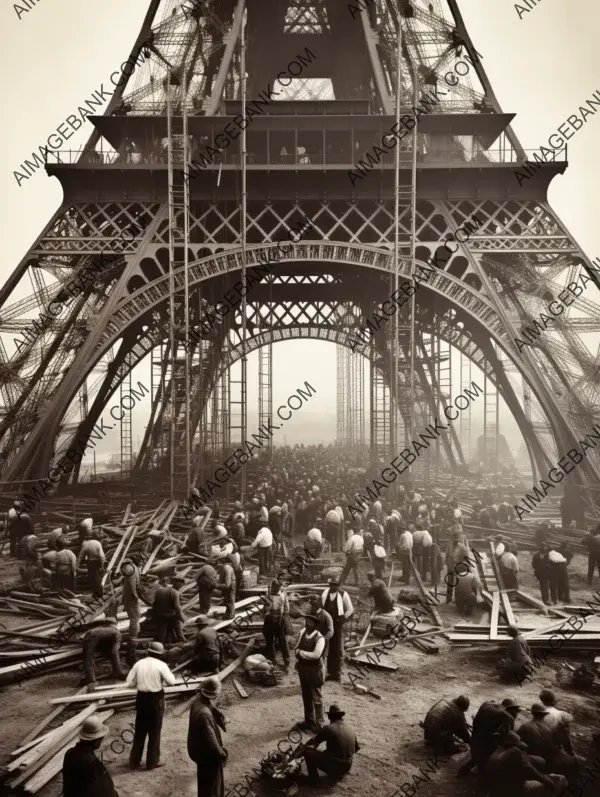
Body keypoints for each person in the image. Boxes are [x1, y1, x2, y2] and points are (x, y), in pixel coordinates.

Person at [125, 640, 176, 770]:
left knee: (140, 731)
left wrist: (139, 682)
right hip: (155, 700)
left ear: (148, 652)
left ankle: (134, 761)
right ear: (160, 654)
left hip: (141, 699)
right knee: (154, 732)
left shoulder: (139, 663)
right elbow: (172, 682)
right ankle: (152, 762)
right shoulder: (162, 665)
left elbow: (129, 682)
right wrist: (160, 681)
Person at [485, 729, 565, 797]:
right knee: (547, 785)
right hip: (511, 792)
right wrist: (547, 780)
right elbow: (532, 771)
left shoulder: (495, 753)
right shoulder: (515, 753)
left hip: (495, 790)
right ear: (511, 745)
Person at [188, 675, 228, 797]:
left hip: (199, 753)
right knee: (212, 787)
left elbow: (210, 706)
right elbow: (212, 744)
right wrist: (223, 754)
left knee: (204, 783)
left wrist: (220, 716)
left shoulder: (197, 702)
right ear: (214, 694)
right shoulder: (204, 714)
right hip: (208, 757)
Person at [458, 699, 519, 776]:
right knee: (496, 751)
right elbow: (507, 738)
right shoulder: (507, 717)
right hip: (483, 745)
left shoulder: (487, 703)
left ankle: (467, 769)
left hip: (474, 738)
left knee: (480, 751)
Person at [518, 703, 580, 777]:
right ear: (544, 715)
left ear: (532, 713)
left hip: (536, 758)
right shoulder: (549, 727)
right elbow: (557, 744)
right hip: (551, 758)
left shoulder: (525, 726)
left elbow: (518, 742)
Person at [303, 704, 360, 784]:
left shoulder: (329, 728)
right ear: (341, 716)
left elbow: (314, 742)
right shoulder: (350, 727)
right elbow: (355, 749)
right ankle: (339, 773)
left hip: (336, 767)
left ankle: (313, 781)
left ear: (329, 717)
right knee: (327, 752)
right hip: (348, 766)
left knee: (307, 752)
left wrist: (302, 748)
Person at [62, 716, 118, 797]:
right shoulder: (90, 762)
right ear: (95, 740)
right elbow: (101, 789)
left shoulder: (69, 753)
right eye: (100, 739)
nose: (101, 741)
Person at [295, 615, 325, 732]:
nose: (307, 624)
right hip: (303, 669)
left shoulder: (320, 638)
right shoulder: (303, 633)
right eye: (306, 622)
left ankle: (320, 725)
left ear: (315, 625)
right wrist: (298, 651)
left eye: (310, 623)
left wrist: (301, 653)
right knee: (306, 696)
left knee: (317, 697)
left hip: (315, 670)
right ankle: (309, 721)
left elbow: (316, 655)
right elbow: (296, 648)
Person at [321, 577, 353, 682]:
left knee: (336, 649)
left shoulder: (344, 594)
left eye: (336, 585)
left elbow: (350, 609)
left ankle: (336, 673)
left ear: (339, 585)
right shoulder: (324, 593)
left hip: (337, 624)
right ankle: (325, 672)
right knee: (324, 647)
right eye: (331, 584)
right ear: (329, 584)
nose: (333, 587)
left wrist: (343, 618)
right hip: (325, 624)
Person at [81, 617, 125, 690]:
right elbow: (114, 651)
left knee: (88, 657)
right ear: (116, 625)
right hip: (94, 638)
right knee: (115, 653)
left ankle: (90, 679)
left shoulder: (101, 629)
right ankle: (118, 672)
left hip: (87, 635)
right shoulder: (117, 632)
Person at [122, 557, 151, 665]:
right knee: (134, 618)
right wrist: (136, 597)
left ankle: (134, 635)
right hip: (131, 599)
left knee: (136, 617)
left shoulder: (134, 568)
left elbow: (137, 585)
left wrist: (143, 598)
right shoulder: (132, 568)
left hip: (131, 598)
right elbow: (132, 585)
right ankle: (133, 638)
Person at [263, 581, 291, 669]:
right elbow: (265, 609)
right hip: (270, 619)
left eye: (275, 587)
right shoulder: (269, 596)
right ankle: (272, 660)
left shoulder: (283, 595)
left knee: (282, 640)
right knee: (269, 640)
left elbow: (287, 609)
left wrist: (281, 618)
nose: (273, 588)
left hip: (280, 619)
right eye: (273, 587)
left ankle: (287, 660)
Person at [538, 689, 575, 754]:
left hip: (540, 742)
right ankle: (570, 752)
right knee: (564, 727)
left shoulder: (538, 710)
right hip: (552, 746)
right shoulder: (559, 714)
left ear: (542, 701)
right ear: (553, 701)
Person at [152, 576, 186, 644]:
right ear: (176, 583)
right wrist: (183, 619)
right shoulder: (175, 592)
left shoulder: (160, 590)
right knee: (178, 625)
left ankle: (160, 645)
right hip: (168, 615)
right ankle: (182, 640)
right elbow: (177, 608)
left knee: (161, 636)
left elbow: (154, 604)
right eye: (181, 583)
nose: (181, 586)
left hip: (159, 615)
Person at [77, 531, 105, 598]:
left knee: (91, 578)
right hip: (97, 562)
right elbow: (101, 555)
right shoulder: (98, 543)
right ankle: (100, 593)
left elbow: (80, 555)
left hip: (90, 562)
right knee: (98, 577)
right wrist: (103, 564)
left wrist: (77, 565)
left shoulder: (86, 544)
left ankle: (94, 593)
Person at [308, 595, 334, 666]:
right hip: (311, 641)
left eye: (313, 605)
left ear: (318, 605)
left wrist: (323, 639)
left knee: (321, 661)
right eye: (311, 605)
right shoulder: (310, 614)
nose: (311, 607)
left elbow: (331, 631)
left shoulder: (326, 616)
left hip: (322, 641)